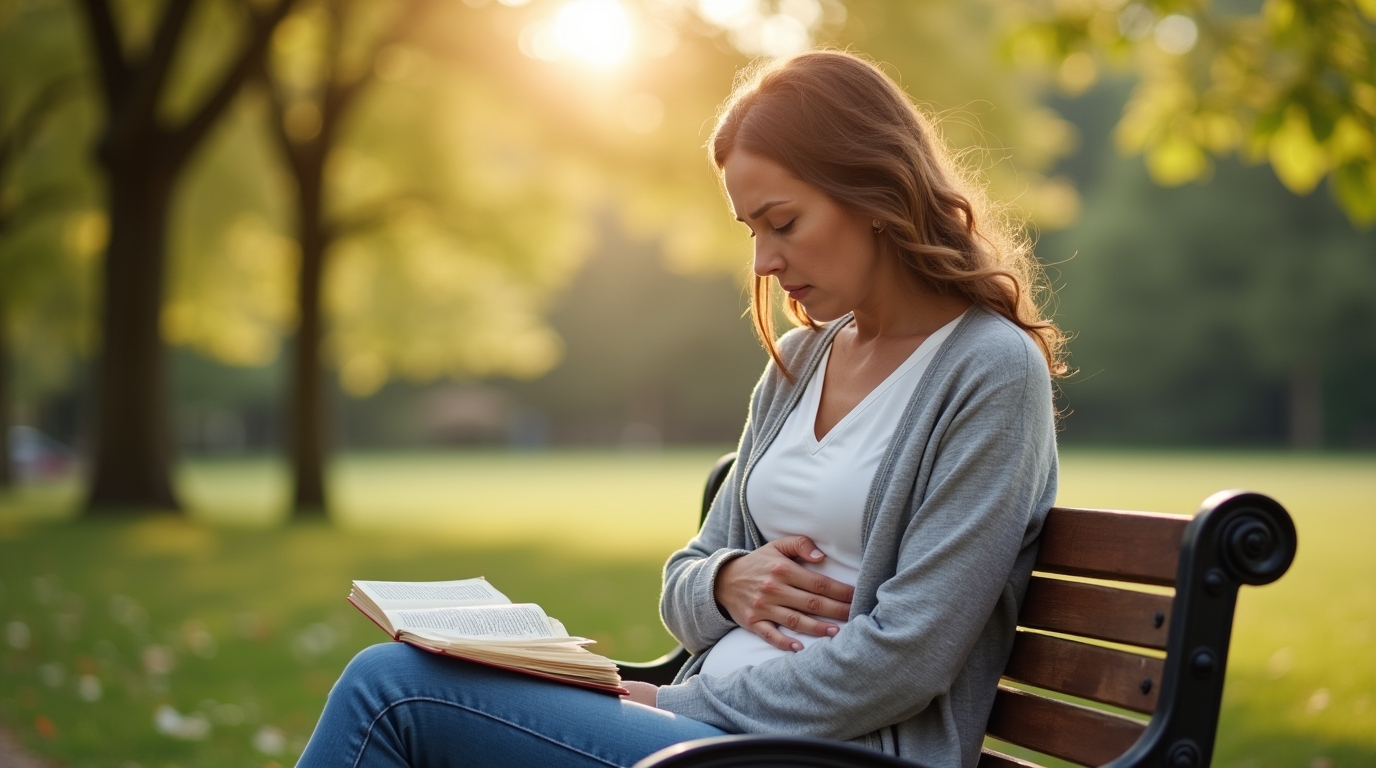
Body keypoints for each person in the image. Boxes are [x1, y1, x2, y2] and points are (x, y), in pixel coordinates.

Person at [296, 49, 1065, 768]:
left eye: (783, 222)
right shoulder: (802, 362)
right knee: (409, 672)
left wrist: (673, 701)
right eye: (752, 230)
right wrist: (727, 578)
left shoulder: (989, 371)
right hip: (705, 728)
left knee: (392, 689)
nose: (763, 261)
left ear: (874, 191)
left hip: (821, 750)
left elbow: (907, 658)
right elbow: (687, 584)